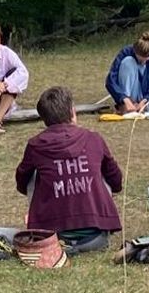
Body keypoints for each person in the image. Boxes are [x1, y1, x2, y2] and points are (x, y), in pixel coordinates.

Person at [15, 86, 123, 254]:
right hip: (96, 236)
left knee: (33, 174)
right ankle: (96, 219)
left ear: (44, 119)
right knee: (102, 170)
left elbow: (21, 182)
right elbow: (116, 180)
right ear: (72, 111)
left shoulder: (35, 144)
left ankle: (49, 225)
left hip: (52, 236)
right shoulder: (93, 138)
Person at [105, 31, 149, 113]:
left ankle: (141, 109)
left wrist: (144, 100)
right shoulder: (126, 52)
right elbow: (111, 80)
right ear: (134, 51)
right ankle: (126, 105)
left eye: (146, 59)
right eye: (140, 59)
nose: (143, 62)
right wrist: (124, 98)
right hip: (133, 94)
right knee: (128, 61)